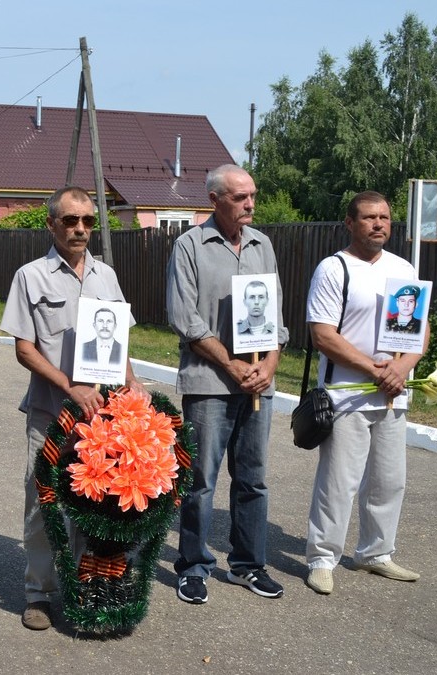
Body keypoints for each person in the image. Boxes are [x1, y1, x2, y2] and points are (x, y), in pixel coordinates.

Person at [0, 186, 148, 631]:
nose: (80, 228)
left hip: (102, 423)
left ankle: (85, 586)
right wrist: (71, 387)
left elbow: (118, 343)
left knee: (96, 507)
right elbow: (24, 349)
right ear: (51, 224)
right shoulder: (31, 276)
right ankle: (39, 594)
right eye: (70, 220)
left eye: (87, 220)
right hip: (51, 415)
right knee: (43, 507)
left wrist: (133, 383)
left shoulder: (106, 276)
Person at [166, 164, 287, 604]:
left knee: (252, 479)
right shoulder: (189, 246)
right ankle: (194, 565)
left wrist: (270, 363)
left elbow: (275, 317)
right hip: (210, 384)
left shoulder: (262, 245)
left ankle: (248, 565)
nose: (250, 204)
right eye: (240, 197)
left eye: (252, 195)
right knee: (200, 480)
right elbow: (185, 319)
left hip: (258, 384)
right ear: (215, 200)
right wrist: (233, 365)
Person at [303, 191, 429, 595]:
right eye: (369, 217)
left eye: (385, 217)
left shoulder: (403, 268)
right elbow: (323, 335)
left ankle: (376, 553)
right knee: (339, 481)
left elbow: (420, 331)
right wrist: (376, 369)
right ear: (350, 223)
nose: (379, 224)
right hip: (347, 394)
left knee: (389, 480)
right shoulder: (334, 269)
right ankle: (323, 558)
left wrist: (401, 369)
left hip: (392, 393)